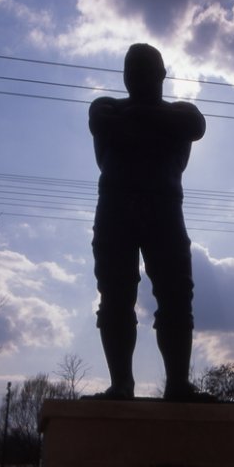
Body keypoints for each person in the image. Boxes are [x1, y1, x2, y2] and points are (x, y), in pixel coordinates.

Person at [88, 43, 206, 401]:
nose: (136, 74)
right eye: (130, 68)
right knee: (115, 295)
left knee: (175, 295)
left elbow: (194, 126)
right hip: (115, 210)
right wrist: (154, 123)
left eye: (145, 67)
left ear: (162, 73)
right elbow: (103, 123)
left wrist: (136, 121)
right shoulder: (105, 106)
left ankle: (178, 385)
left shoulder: (182, 112)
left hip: (165, 209)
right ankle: (121, 383)